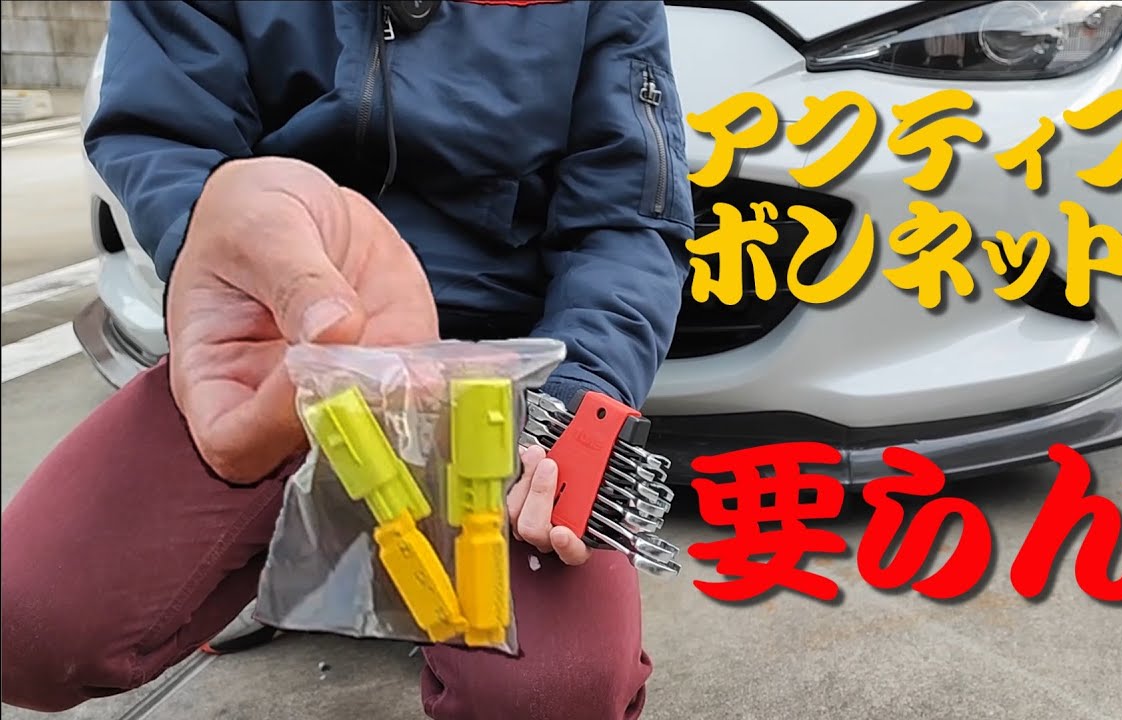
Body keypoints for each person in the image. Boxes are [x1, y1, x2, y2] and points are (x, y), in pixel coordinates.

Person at [0, 1, 693, 718]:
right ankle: (286, 554)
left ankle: (347, 556)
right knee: (28, 627)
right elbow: (165, 135)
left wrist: (576, 403)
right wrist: (219, 234)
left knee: (552, 692)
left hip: (498, 377)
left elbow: (627, 218)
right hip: (282, 340)